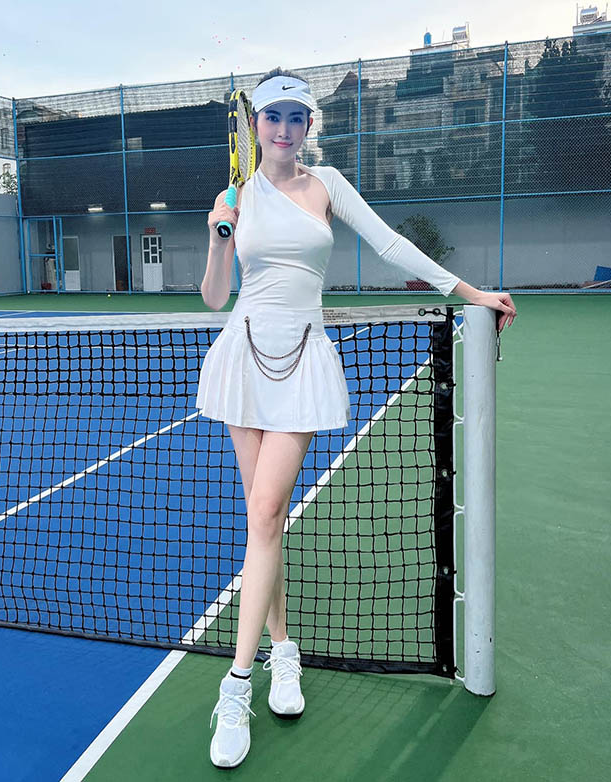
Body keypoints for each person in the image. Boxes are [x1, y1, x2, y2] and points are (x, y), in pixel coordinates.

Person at [198, 67, 516, 769]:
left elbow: (390, 244)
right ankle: (284, 651)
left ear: (309, 125)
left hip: (299, 360)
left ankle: (236, 684)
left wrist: (471, 293)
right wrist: (220, 238)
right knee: (263, 523)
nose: (285, 129)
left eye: (296, 117)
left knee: (266, 515)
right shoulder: (234, 195)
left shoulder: (327, 184)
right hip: (242, 357)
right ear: (256, 125)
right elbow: (215, 297)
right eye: (273, 117)